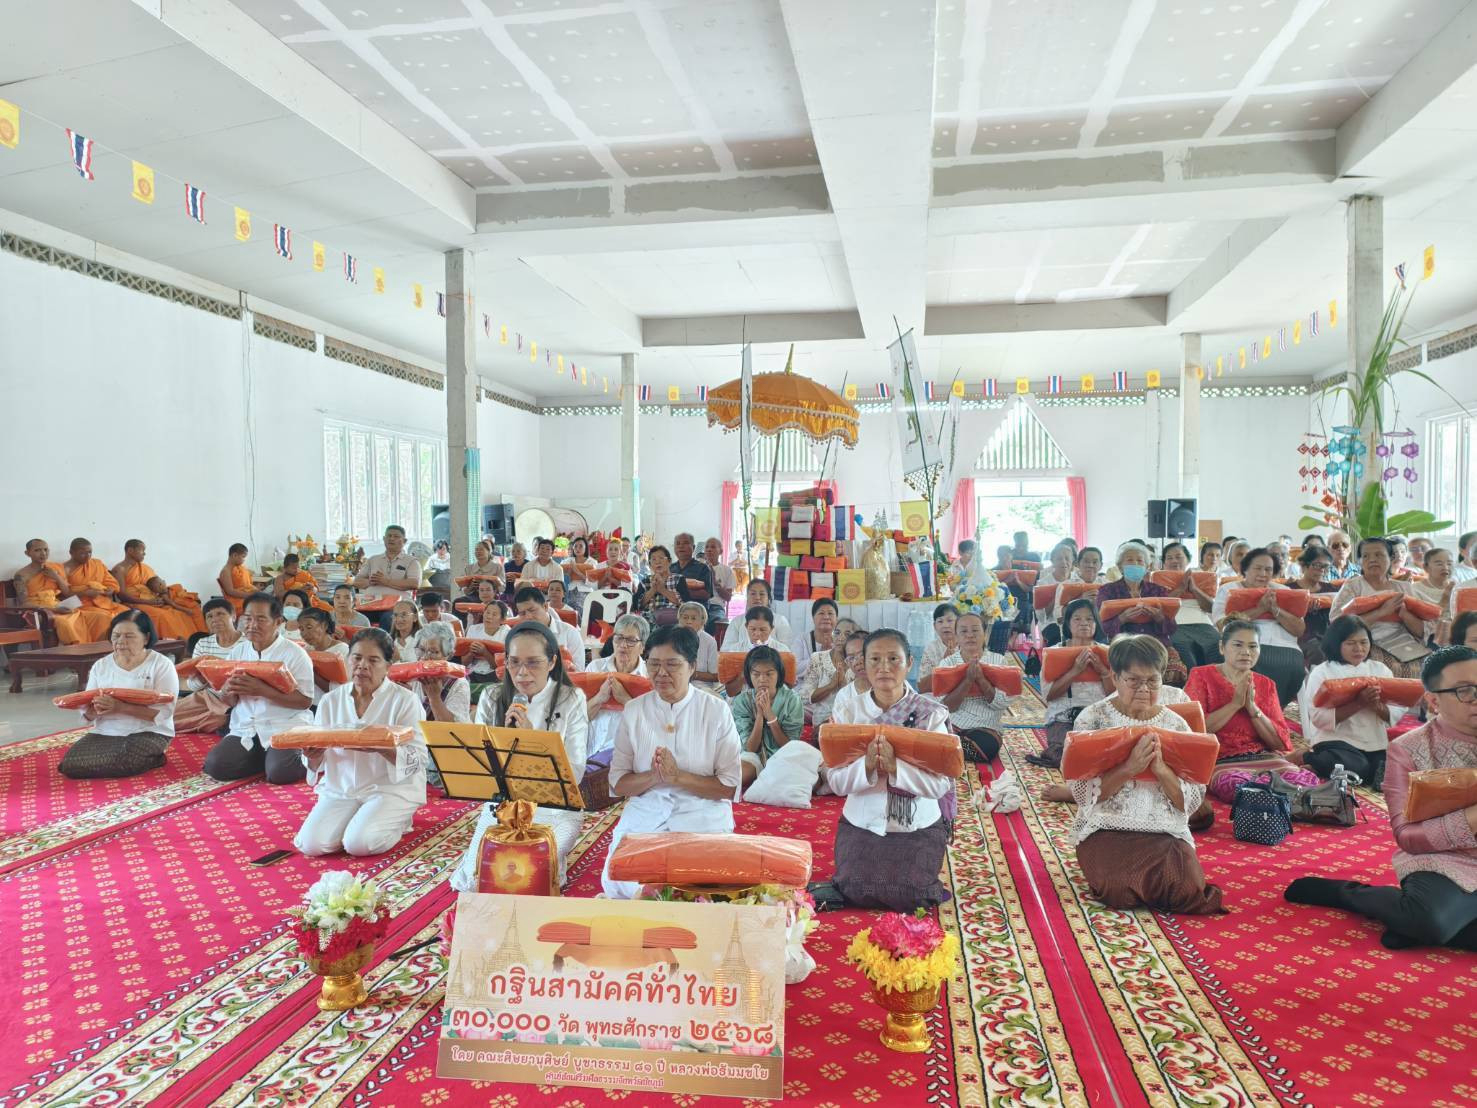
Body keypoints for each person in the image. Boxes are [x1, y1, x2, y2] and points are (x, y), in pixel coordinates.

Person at [1285, 647, 1477, 950]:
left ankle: (1410, 920)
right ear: (1434, 701)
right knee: (1433, 921)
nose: (1476, 698)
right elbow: (1408, 837)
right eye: (1465, 691)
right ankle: (1351, 894)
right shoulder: (1408, 750)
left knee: (1430, 919)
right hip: (1442, 860)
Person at [1062, 635, 1223, 914]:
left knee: (1187, 891)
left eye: (1153, 681)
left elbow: (1190, 801)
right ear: (1114, 677)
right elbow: (1083, 795)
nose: (1144, 689)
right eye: (1133, 680)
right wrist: (1129, 769)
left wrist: (1160, 769)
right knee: (1119, 890)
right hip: (1107, 826)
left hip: (1164, 828)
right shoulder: (1093, 720)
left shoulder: (1176, 724)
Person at [601, 626, 741, 899]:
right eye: (653, 665)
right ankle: (647, 894)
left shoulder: (716, 711)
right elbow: (618, 783)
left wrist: (678, 777)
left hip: (702, 816)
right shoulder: (634, 710)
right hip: (646, 815)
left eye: (672, 665)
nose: (661, 673)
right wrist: (654, 777)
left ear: (692, 667)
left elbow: (728, 787)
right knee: (617, 876)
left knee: (699, 884)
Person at [821, 629, 954, 912]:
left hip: (916, 825)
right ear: (863, 664)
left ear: (909, 662)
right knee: (853, 889)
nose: (884, 667)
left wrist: (896, 768)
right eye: (875, 659)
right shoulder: (848, 713)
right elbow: (835, 782)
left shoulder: (930, 714)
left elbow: (940, 786)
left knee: (913, 897)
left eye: (894, 658)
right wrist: (867, 766)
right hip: (862, 822)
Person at [449, 622, 591, 887]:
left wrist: (532, 738)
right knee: (475, 881)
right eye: (514, 663)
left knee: (528, 874)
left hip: (557, 810)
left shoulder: (571, 698)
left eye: (533, 663)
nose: (522, 673)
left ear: (552, 662)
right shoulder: (492, 697)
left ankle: (553, 863)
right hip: (502, 807)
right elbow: (480, 770)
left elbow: (576, 772)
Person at [293, 628, 428, 857]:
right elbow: (319, 759)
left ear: (387, 666)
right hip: (341, 789)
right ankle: (357, 819)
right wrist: (313, 755)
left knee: (359, 844)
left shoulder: (405, 701)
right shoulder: (330, 701)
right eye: (356, 658)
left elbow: (419, 759)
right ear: (347, 660)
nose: (362, 666)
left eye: (373, 660)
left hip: (389, 789)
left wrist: (384, 748)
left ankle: (398, 820)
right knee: (311, 845)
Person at [1185, 620, 1314, 802]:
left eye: (1253, 646)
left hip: (1263, 756)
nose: (1246, 652)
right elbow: (1192, 730)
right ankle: (1285, 801)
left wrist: (1253, 709)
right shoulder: (1201, 676)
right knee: (1236, 786)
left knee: (1303, 780)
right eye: (1238, 645)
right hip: (1221, 760)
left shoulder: (1265, 684)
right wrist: (1234, 705)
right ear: (1222, 648)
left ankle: (1279, 800)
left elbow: (1278, 742)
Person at [202, 592, 314, 785]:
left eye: (261, 619)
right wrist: (227, 691)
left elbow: (305, 701)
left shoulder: (295, 654)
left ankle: (287, 757)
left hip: (284, 726)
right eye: (248, 618)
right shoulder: (238, 651)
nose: (252, 625)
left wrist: (262, 690)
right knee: (215, 766)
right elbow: (229, 702)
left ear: (277, 621)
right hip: (246, 727)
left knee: (280, 774)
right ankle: (266, 757)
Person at [58, 609, 179, 779]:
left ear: (146, 638)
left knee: (124, 761)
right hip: (107, 730)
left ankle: (156, 758)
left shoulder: (161, 665)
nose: (121, 641)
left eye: (129, 636)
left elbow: (165, 713)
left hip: (149, 730)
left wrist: (121, 707)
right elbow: (87, 711)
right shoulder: (101, 666)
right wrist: (93, 710)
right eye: (116, 636)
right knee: (70, 765)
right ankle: (131, 758)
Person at [1297, 615, 1394, 788]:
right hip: (1336, 741)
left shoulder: (1380, 670)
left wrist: (1375, 705)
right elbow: (1318, 718)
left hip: (1374, 742)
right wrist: (1358, 703)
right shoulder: (1322, 672)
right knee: (1357, 768)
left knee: (1385, 771)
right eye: (1351, 643)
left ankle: (1319, 766)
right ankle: (1307, 757)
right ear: (1336, 643)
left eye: (1364, 642)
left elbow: (1393, 713)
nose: (1359, 648)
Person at [1211, 547, 1307, 705]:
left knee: (1294, 667)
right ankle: (1253, 710)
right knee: (1253, 663)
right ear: (1245, 569)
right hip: (1247, 646)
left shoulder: (1284, 591)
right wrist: (1260, 609)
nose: (1263, 574)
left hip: (1285, 647)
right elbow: (1224, 625)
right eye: (1258, 568)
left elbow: (1299, 629)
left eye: (1268, 569)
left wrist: (1275, 610)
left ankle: (1274, 710)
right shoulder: (1228, 590)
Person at [1027, 598, 1114, 770]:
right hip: (1064, 718)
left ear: (1096, 623)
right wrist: (1075, 671)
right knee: (1070, 754)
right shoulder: (1054, 653)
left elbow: (1115, 695)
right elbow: (1049, 695)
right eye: (1077, 619)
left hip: (1098, 718)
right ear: (1068, 623)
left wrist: (1103, 671)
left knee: (1109, 754)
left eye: (1089, 619)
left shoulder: (1107, 653)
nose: (1084, 623)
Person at [1330, 537, 1431, 679]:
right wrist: (1381, 612)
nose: (1372, 560)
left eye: (1379, 555)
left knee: (1429, 666)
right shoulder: (1352, 586)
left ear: (1391, 558)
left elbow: (1421, 631)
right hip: (1366, 641)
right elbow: (1339, 625)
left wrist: (1404, 613)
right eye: (1366, 556)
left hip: (1404, 641)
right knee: (1385, 668)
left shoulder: (1404, 588)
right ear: (1360, 561)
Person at [1096, 541, 1187, 685]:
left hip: (1156, 643)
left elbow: (1172, 628)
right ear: (1120, 566)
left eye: (1140, 561)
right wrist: (1123, 618)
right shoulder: (1107, 591)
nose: (1135, 564)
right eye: (1130, 560)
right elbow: (1100, 627)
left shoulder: (1158, 590)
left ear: (1146, 567)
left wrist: (1159, 617)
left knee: (1175, 670)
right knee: (1132, 672)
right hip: (1124, 644)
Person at [935, 610, 1011, 762]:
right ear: (956, 637)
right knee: (930, 730)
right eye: (963, 631)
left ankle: (948, 748)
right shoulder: (947, 664)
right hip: (954, 724)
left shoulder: (999, 661)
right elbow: (946, 707)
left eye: (975, 630)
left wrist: (981, 680)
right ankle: (952, 747)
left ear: (985, 635)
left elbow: (1001, 703)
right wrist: (968, 680)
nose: (970, 635)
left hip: (985, 727)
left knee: (987, 747)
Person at [732, 645, 805, 789]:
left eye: (769, 674)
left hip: (783, 756)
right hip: (753, 757)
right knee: (737, 776)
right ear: (749, 675)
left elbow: (789, 747)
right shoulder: (742, 700)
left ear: (778, 674)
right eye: (756, 674)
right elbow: (750, 748)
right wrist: (760, 715)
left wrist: (770, 715)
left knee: (810, 777)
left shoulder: (792, 699)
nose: (762, 679)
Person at [585, 613, 650, 758]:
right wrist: (599, 699)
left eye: (631, 640)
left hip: (625, 755)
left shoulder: (649, 677)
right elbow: (580, 717)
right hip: (589, 750)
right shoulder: (595, 668)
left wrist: (626, 701)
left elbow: (651, 728)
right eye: (619, 638)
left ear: (643, 647)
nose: (623, 645)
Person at [112, 539, 206, 640]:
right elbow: (121, 595)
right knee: (161, 615)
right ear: (130, 550)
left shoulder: (145, 568)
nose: (144, 553)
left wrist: (160, 598)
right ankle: (173, 643)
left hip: (151, 600)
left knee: (176, 612)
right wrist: (148, 602)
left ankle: (192, 641)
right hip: (133, 602)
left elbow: (157, 585)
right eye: (142, 550)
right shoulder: (119, 569)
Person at [14, 539, 95, 645]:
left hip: (57, 606)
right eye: (37, 550)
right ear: (27, 553)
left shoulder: (54, 569)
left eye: (46, 550)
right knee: (65, 622)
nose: (43, 553)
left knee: (96, 617)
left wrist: (56, 577)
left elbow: (66, 592)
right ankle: (75, 652)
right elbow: (24, 603)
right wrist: (54, 609)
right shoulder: (21, 575)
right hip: (37, 610)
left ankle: (95, 650)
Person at [1161, 541, 1219, 668]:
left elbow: (1210, 608)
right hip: (1175, 625)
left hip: (1203, 624)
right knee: (1180, 647)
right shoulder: (1157, 579)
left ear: (1188, 559)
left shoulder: (1204, 577)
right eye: (1169, 558)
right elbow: (1161, 607)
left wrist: (1194, 589)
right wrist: (1180, 589)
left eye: (1179, 557)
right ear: (1164, 563)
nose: (1174, 561)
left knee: (1217, 643)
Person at [56, 538, 128, 642]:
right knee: (106, 618)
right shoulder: (63, 569)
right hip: (81, 605)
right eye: (82, 553)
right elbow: (62, 594)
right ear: (71, 553)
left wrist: (110, 590)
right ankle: (102, 647)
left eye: (90, 552)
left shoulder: (96, 564)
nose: (87, 556)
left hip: (104, 602)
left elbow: (111, 583)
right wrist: (85, 593)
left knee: (129, 614)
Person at [407, 621, 471, 725]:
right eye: (422, 650)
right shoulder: (412, 677)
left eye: (433, 652)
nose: (425, 657)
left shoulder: (459, 684)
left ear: (448, 655)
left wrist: (434, 698)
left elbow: (452, 729)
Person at [1283, 544, 1336, 664]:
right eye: (1317, 565)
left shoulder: (1332, 589)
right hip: (1299, 638)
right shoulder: (1289, 590)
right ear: (1303, 565)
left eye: (1326, 566)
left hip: (1328, 636)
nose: (1322, 570)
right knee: (1317, 649)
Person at [723, 605, 792, 696]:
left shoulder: (783, 650)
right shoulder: (734, 650)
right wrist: (744, 676)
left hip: (774, 699)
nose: (757, 634)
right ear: (746, 626)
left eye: (763, 629)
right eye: (753, 629)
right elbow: (730, 692)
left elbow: (789, 685)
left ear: (771, 628)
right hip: (742, 700)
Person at [514, 585, 585, 670]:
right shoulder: (517, 636)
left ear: (545, 607)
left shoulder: (569, 633)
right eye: (522, 613)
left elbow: (579, 671)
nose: (528, 617)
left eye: (532, 610)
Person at [797, 617, 849, 727]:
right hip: (821, 722)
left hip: (849, 722)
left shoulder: (859, 662)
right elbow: (804, 696)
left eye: (847, 634)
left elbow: (864, 701)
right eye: (837, 633)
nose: (841, 637)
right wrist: (831, 686)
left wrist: (844, 684)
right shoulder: (818, 658)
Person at [354, 525, 422, 604]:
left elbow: (414, 583)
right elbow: (356, 582)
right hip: (370, 603)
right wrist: (371, 582)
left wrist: (385, 581)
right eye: (389, 536)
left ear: (404, 541)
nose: (391, 538)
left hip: (398, 604)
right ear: (384, 539)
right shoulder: (373, 560)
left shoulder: (412, 561)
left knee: (388, 616)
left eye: (396, 536)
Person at [719, 579, 792, 650]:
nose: (757, 598)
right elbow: (726, 650)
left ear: (768, 598)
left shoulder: (780, 620)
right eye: (753, 594)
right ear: (747, 597)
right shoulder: (737, 621)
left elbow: (787, 651)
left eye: (762, 594)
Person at [297, 607, 347, 707]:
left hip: (331, 707)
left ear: (324, 626)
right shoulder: (307, 649)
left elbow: (339, 691)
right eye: (301, 629)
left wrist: (313, 673)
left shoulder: (341, 650)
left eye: (309, 627)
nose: (304, 633)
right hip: (308, 704)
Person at [463, 598, 510, 701]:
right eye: (487, 612)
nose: (489, 616)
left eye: (494, 614)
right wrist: (471, 652)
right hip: (473, 674)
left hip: (494, 676)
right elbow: (464, 662)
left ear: (502, 620)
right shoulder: (473, 629)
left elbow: (498, 667)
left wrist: (485, 652)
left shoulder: (506, 633)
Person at [1411, 547, 1455, 645]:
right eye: (1439, 564)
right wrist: (1445, 599)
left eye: (1449, 563)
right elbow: (1423, 625)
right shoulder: (1415, 590)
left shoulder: (1459, 588)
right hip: (1431, 638)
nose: (1445, 567)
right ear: (1426, 567)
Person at [676, 602, 721, 691]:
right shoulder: (671, 637)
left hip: (701, 687)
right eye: (685, 618)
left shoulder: (709, 641)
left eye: (693, 618)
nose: (689, 622)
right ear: (679, 619)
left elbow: (716, 676)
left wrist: (693, 674)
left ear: (702, 621)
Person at [793, 596, 839, 680]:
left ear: (836, 618)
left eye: (830, 613)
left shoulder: (842, 640)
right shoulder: (802, 639)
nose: (826, 617)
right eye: (821, 613)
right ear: (813, 618)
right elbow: (795, 669)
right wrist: (821, 655)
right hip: (806, 686)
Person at [829, 630, 871, 721]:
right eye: (851, 658)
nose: (857, 662)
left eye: (862, 654)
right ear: (847, 663)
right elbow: (841, 731)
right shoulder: (844, 695)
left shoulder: (892, 688)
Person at [635, 544, 682, 623]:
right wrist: (653, 590)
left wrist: (662, 589)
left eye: (661, 558)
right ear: (650, 565)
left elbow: (684, 604)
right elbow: (638, 605)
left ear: (669, 562)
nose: (658, 562)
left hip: (672, 618)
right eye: (653, 559)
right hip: (647, 620)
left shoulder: (678, 579)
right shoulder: (645, 581)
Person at [670, 533, 714, 610]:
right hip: (672, 609)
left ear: (693, 547)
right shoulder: (670, 568)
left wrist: (681, 591)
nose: (681, 546)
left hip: (696, 610)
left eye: (685, 543)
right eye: (678, 543)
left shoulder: (703, 568)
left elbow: (707, 594)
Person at [918, 603, 958, 686]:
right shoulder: (931, 648)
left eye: (950, 620)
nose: (945, 625)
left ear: (959, 623)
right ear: (934, 626)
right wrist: (943, 665)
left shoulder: (966, 645)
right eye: (940, 621)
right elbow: (921, 686)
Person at [703, 536, 736, 622]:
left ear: (721, 551)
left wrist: (714, 581)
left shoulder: (727, 570)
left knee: (719, 621)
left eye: (713, 547)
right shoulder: (697, 568)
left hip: (716, 606)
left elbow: (728, 597)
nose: (709, 549)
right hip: (698, 604)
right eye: (707, 547)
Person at [218, 543, 256, 615]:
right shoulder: (225, 571)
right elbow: (230, 591)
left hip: (246, 596)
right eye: (243, 557)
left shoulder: (238, 568)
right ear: (234, 555)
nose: (244, 560)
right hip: (238, 601)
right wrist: (250, 595)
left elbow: (246, 584)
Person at [563, 536, 599, 610]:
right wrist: (569, 574)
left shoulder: (592, 562)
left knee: (581, 612)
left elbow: (593, 583)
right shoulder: (567, 561)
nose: (577, 549)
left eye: (581, 546)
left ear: (586, 548)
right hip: (569, 591)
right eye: (575, 546)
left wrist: (577, 572)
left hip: (586, 592)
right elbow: (564, 581)